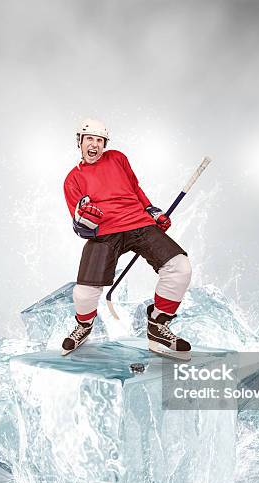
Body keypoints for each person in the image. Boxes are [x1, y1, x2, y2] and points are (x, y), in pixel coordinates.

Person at [62, 118, 192, 359]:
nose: (95, 145)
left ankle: (158, 325)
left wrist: (152, 210)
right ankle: (84, 325)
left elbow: (135, 188)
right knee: (84, 292)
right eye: (89, 139)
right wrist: (86, 218)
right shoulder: (73, 179)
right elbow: (80, 230)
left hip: (139, 223)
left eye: (99, 140)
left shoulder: (117, 158)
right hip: (105, 233)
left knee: (180, 267)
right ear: (79, 142)